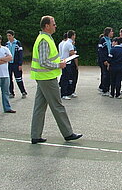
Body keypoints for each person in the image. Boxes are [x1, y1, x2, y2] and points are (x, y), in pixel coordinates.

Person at [30, 16, 82, 144]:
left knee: (39, 107)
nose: (55, 26)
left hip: (43, 77)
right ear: (47, 26)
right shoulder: (44, 40)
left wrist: (59, 62)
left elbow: (47, 59)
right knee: (57, 106)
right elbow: (43, 62)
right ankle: (68, 133)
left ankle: (35, 135)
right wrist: (58, 65)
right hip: (47, 77)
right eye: (53, 24)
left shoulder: (46, 38)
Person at [6, 30, 27, 99]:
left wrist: (20, 64)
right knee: (9, 79)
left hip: (16, 64)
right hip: (9, 64)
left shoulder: (18, 43)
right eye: (7, 36)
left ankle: (23, 92)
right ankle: (11, 92)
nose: (8, 37)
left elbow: (20, 54)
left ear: (13, 36)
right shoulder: (6, 44)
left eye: (10, 36)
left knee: (18, 78)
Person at [60, 30, 78, 100]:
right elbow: (72, 53)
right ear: (72, 36)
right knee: (66, 78)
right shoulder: (69, 44)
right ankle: (64, 93)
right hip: (67, 63)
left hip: (65, 62)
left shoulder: (67, 42)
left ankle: (67, 92)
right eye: (74, 35)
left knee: (66, 77)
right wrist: (75, 52)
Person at [98, 27, 114, 96]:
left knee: (109, 74)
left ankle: (107, 88)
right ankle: (104, 89)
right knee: (105, 74)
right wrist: (104, 60)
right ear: (108, 32)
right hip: (104, 60)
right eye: (111, 31)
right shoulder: (103, 40)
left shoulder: (110, 40)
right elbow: (100, 51)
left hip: (109, 59)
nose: (112, 33)